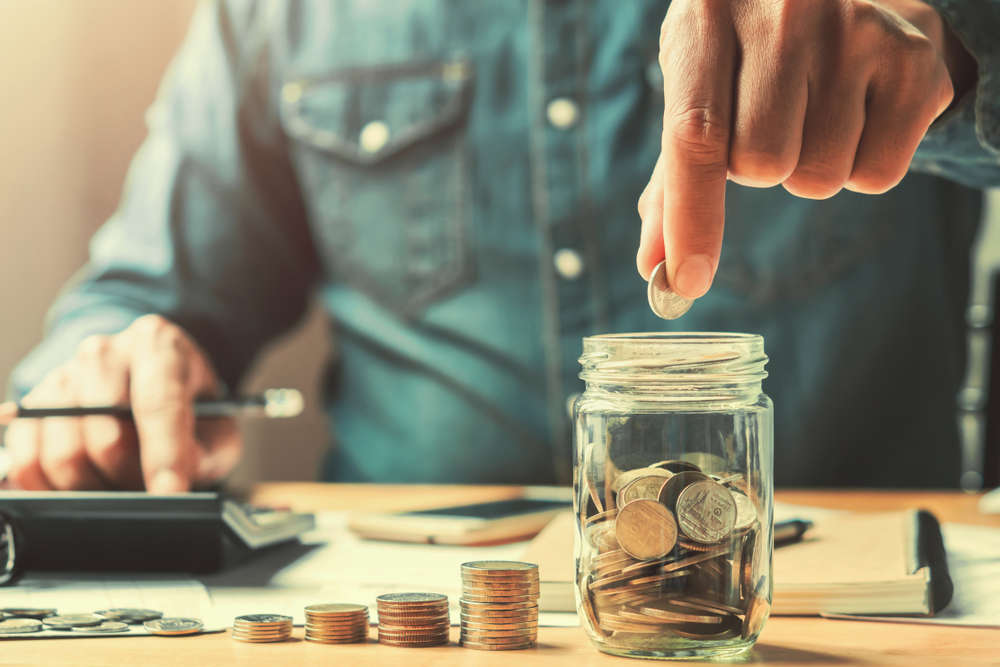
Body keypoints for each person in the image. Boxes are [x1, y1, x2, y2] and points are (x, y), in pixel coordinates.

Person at [4, 0, 999, 493]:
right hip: (410, 616)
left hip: (832, 608)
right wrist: (106, 370)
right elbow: (149, 295)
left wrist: (956, 43)